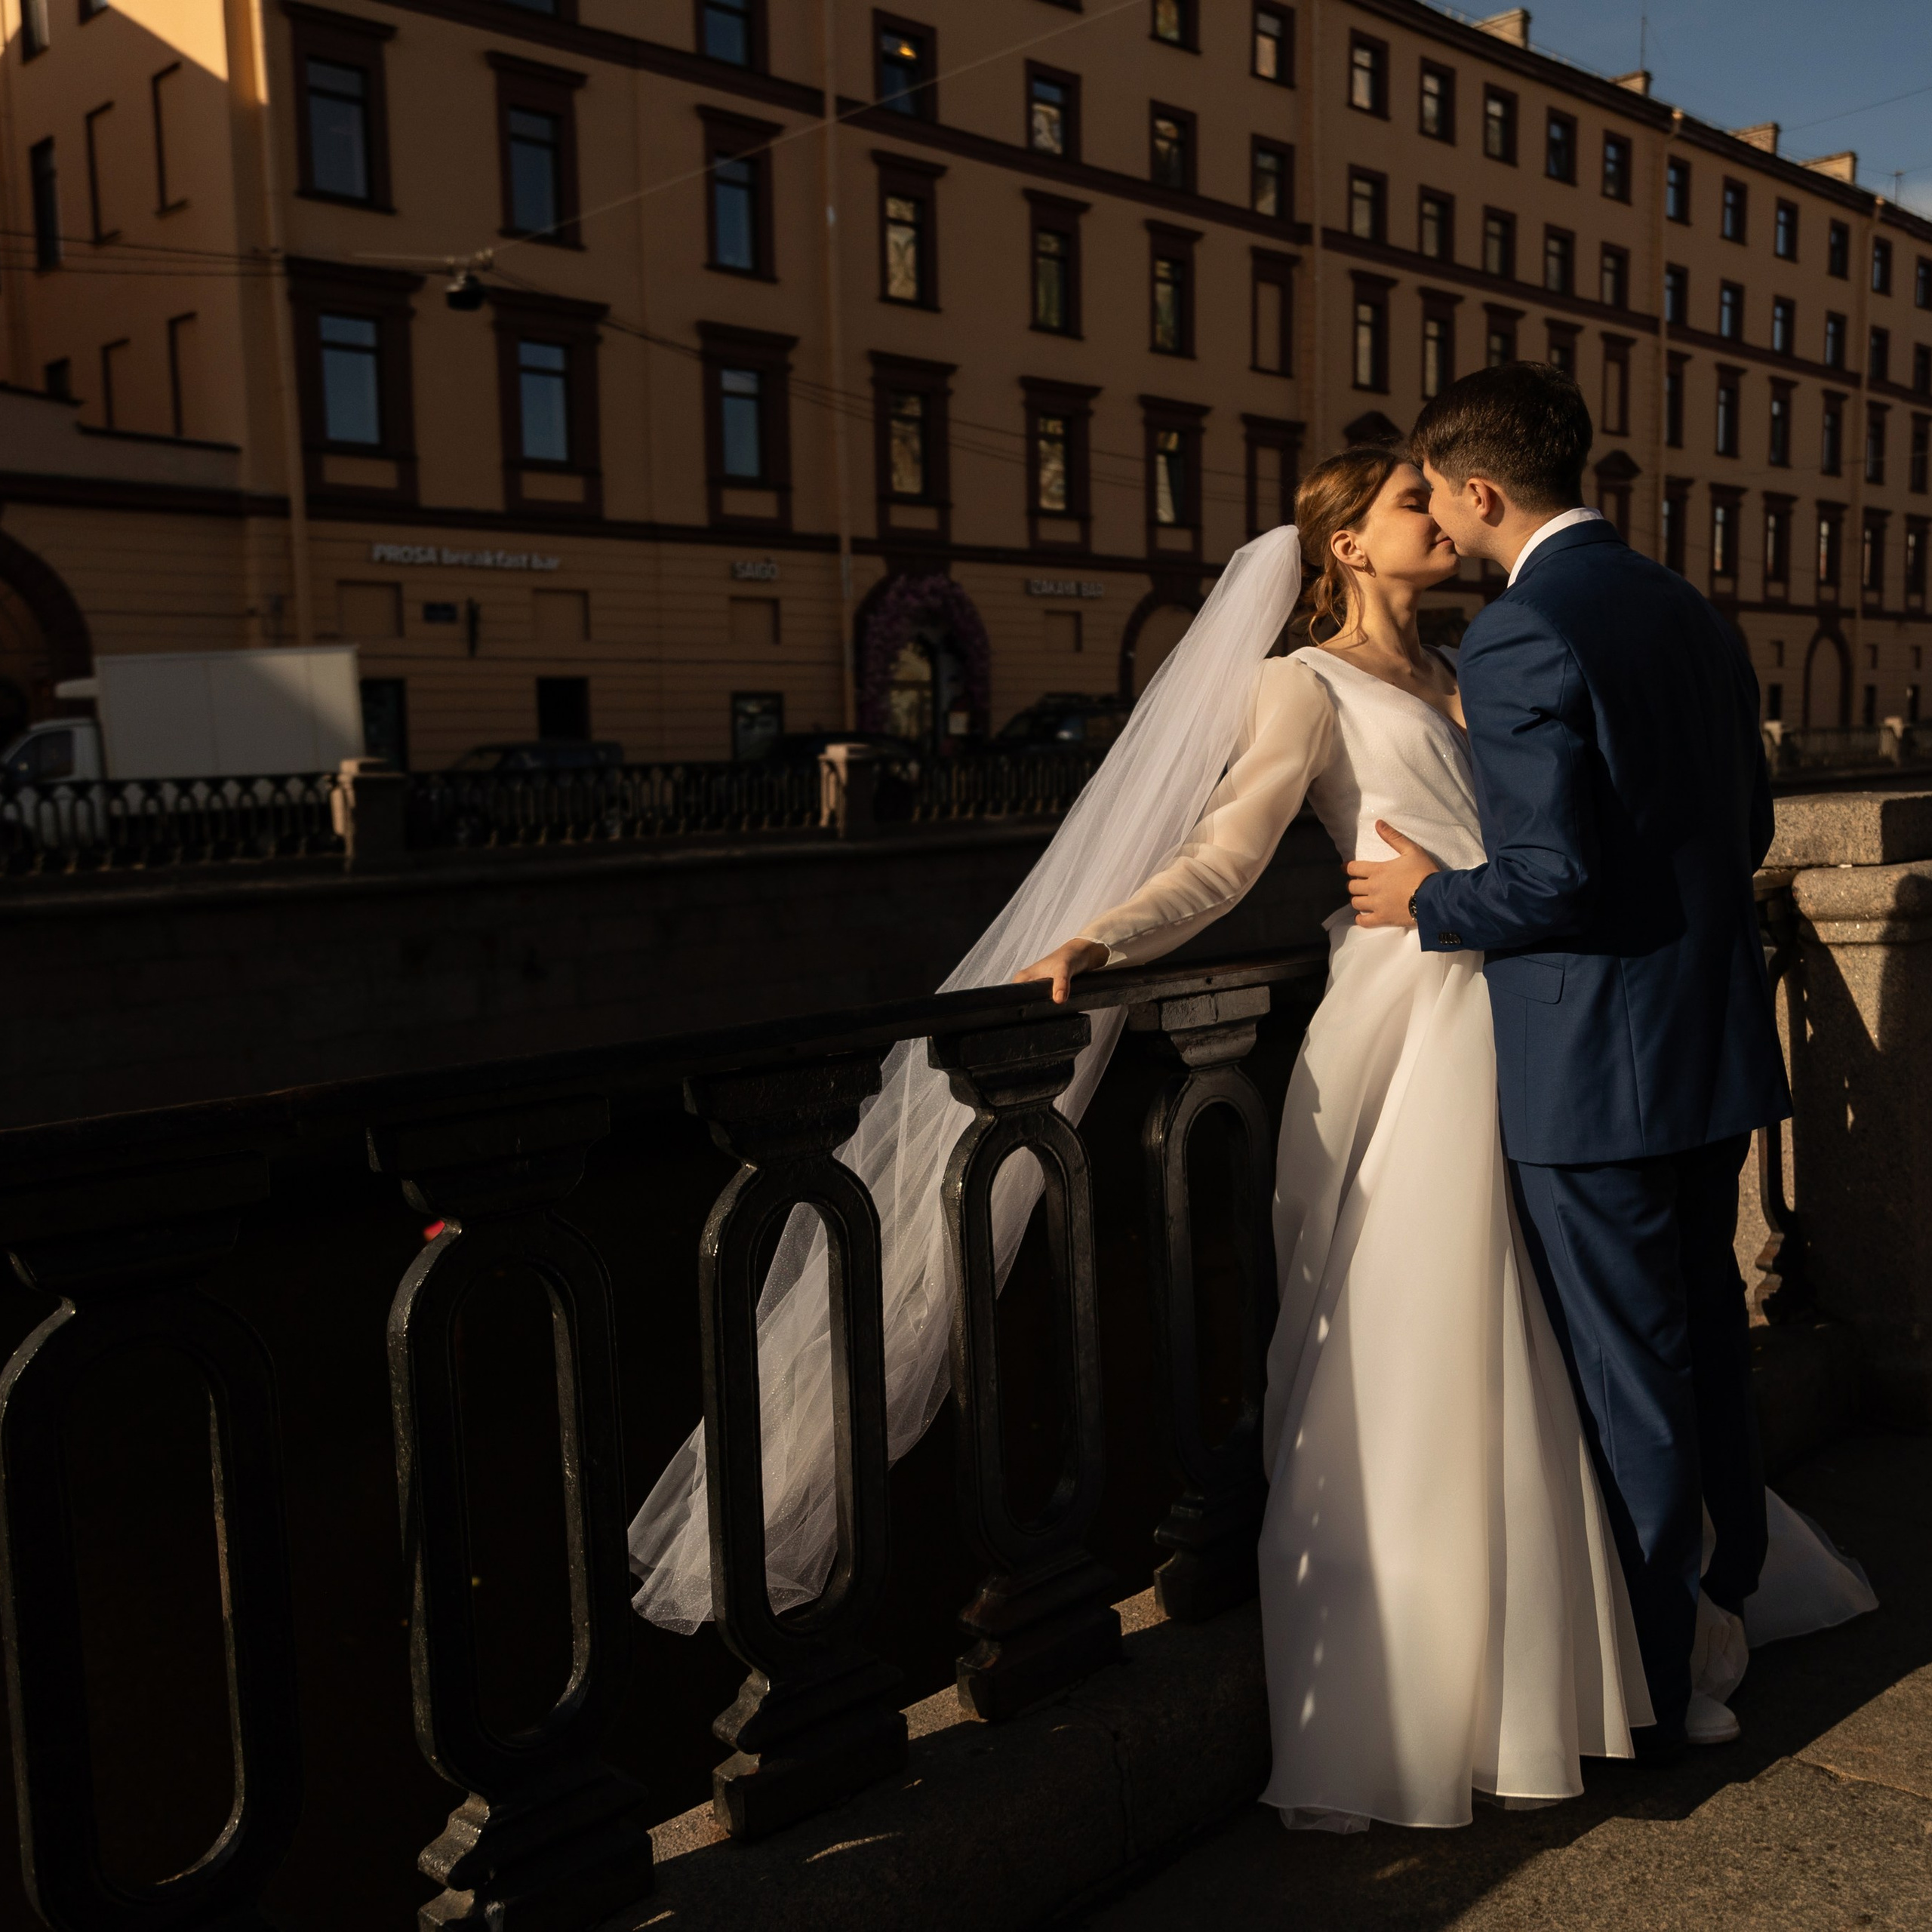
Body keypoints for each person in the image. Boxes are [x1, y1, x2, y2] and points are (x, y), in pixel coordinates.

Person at [1020, 398, 1872, 1829]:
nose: (1437, 513)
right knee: (1465, 1342)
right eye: (1409, 503)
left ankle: (1625, 1651)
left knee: (1587, 1354)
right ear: (1349, 543)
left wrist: (1439, 899)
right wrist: (1109, 937)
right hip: (1432, 1038)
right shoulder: (1304, 685)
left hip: (1531, 1024)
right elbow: (1229, 854)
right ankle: (1541, 1658)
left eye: (1439, 491)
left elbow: (1557, 848)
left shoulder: (1490, 660)